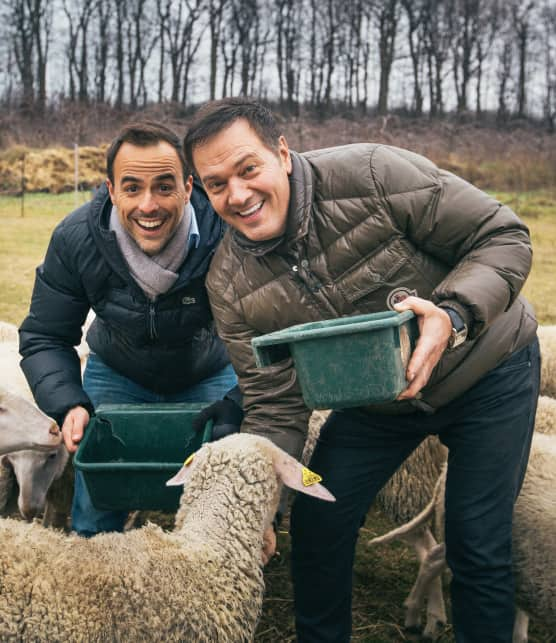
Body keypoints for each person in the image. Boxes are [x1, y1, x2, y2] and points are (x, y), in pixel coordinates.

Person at [183, 98, 540, 643]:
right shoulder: (229, 283)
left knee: (475, 539)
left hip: (487, 370)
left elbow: (502, 236)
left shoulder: (373, 174)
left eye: (248, 169)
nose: (237, 195)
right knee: (319, 521)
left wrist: (453, 314)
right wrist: (260, 508)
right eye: (215, 184)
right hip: (377, 402)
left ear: (281, 153)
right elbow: (274, 403)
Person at [19, 121, 243, 537]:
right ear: (111, 189)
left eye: (163, 186)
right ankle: (96, 573)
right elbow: (46, 335)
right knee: (96, 505)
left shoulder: (227, 234)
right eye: (132, 187)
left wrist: (238, 398)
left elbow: (264, 327)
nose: (148, 205)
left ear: (188, 186)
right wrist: (69, 403)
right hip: (117, 371)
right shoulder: (76, 238)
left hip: (208, 370)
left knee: (221, 495)